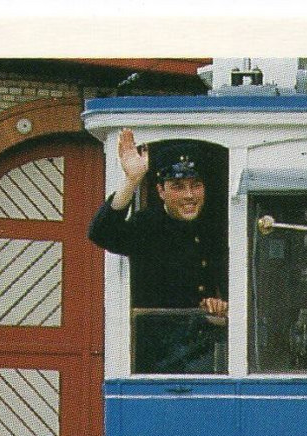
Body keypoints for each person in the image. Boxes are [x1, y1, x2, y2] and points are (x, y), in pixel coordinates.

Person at [88, 129, 226, 374]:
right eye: (178, 186)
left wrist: (220, 304)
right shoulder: (147, 225)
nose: (190, 195)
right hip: (159, 358)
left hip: (207, 353)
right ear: (161, 191)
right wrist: (131, 180)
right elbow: (101, 233)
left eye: (196, 185)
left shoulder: (215, 227)